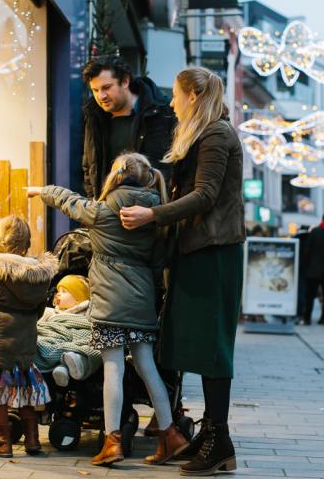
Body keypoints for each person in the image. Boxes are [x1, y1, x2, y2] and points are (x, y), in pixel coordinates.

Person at [119, 67, 244, 476]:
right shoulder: (204, 134)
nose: (171, 103)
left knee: (212, 347)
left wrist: (152, 214)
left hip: (214, 252)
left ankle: (219, 439)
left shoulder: (217, 135)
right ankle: (210, 435)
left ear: (193, 95)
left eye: (175, 95)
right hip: (196, 250)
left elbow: (205, 195)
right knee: (195, 343)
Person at [27, 152, 189, 466]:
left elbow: (70, 201)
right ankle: (170, 434)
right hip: (141, 303)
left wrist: (42, 190)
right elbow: (158, 261)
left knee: (113, 366)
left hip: (110, 305)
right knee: (146, 365)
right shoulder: (154, 215)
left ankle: (112, 440)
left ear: (114, 178)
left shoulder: (103, 210)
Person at [0, 215, 58, 457]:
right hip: (24, 342)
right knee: (25, 391)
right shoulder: (38, 275)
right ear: (27, 243)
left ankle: (2, 443)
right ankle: (32, 440)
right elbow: (39, 309)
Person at [81, 55, 176, 199]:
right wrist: (93, 201)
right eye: (95, 90)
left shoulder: (161, 112)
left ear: (125, 81)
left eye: (106, 87)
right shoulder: (94, 117)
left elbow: (174, 163)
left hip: (152, 210)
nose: (101, 96)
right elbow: (89, 166)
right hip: (107, 211)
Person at [35, 275, 101, 388]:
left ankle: (73, 365)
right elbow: (40, 325)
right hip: (55, 338)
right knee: (42, 341)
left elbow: (90, 328)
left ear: (78, 297)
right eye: (58, 291)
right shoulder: (51, 312)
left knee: (92, 348)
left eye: (64, 291)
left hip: (77, 339)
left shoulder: (88, 313)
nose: (58, 294)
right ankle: (63, 368)